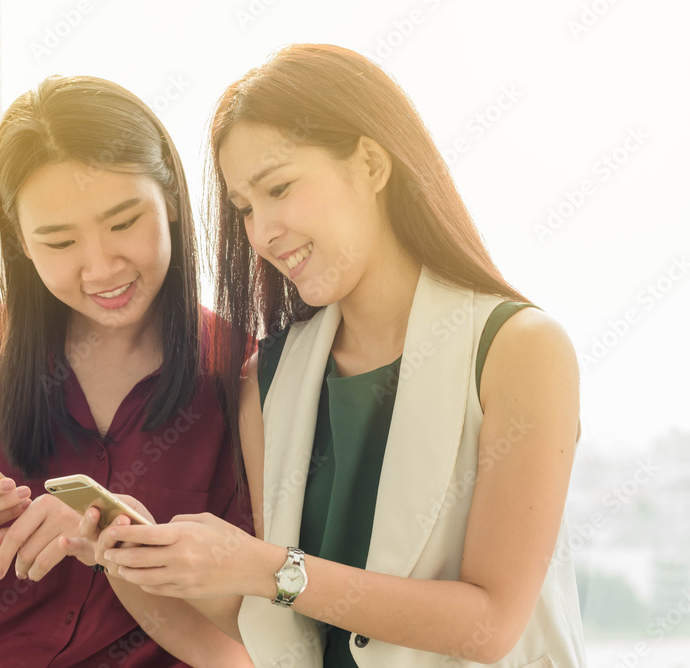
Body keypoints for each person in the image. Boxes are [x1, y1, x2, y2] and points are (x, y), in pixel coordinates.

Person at [91, 44, 586, 667]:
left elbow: (489, 626)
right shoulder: (268, 379)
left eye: (279, 187)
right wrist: (161, 559)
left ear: (372, 163)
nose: (262, 232)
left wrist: (263, 566)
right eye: (246, 207)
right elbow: (286, 630)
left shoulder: (518, 349)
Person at [0, 75, 253, 667]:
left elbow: (260, 634)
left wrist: (128, 543)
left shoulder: (244, 378)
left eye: (125, 223)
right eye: (58, 242)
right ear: (21, 244)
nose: (101, 267)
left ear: (172, 200)